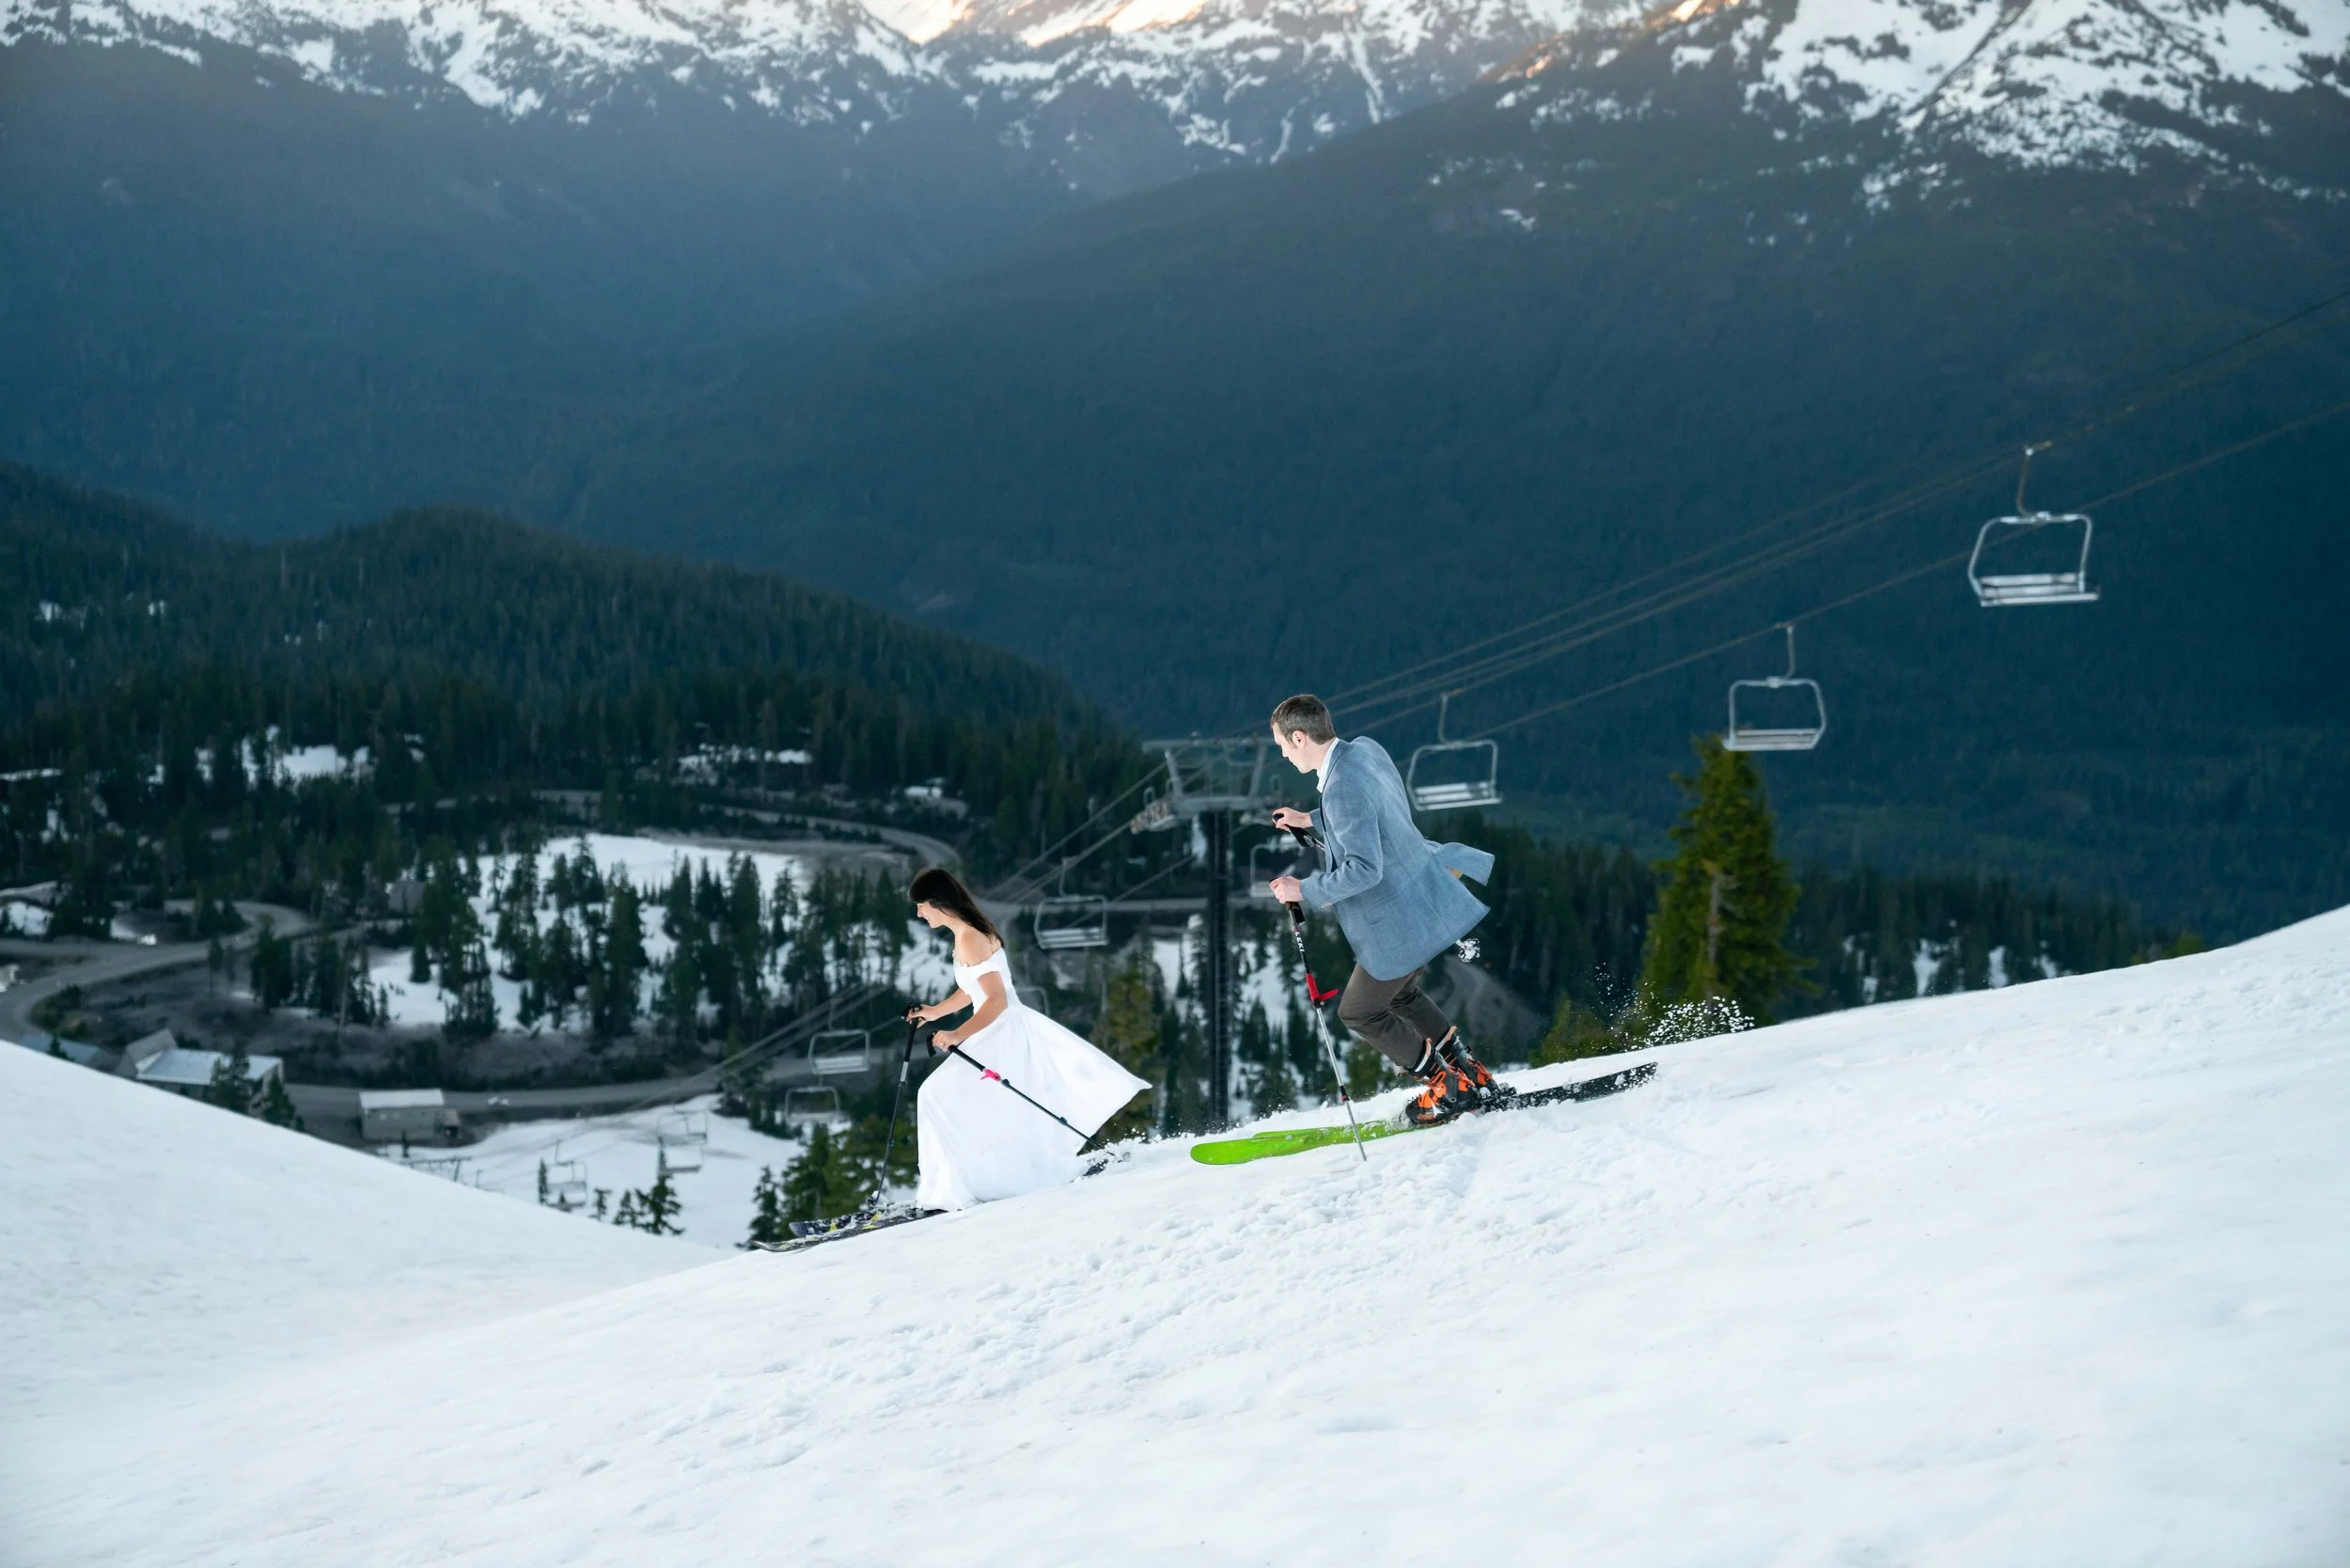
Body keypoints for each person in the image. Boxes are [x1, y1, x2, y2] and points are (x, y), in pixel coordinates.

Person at [1263, 693, 1503, 1127]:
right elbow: (1372, 809)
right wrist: (1310, 819)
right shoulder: (1365, 752)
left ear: (1300, 737)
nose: (1281, 752)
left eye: (1282, 743)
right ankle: (1467, 1071)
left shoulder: (1340, 789)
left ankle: (1446, 1088)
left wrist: (1304, 889)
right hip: (1422, 895)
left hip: (1398, 920)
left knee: (1359, 1011)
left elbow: (1364, 870)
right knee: (1402, 994)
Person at [904, 867, 1150, 1211]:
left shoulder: (970, 938)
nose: (918, 912)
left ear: (939, 903)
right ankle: (969, 1181)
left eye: (921, 905)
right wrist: (934, 1012)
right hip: (999, 1029)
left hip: (1002, 1033)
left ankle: (955, 1187)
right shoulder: (968, 934)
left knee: (934, 1095)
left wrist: (956, 1035)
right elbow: (972, 989)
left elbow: (996, 1000)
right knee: (978, 1105)